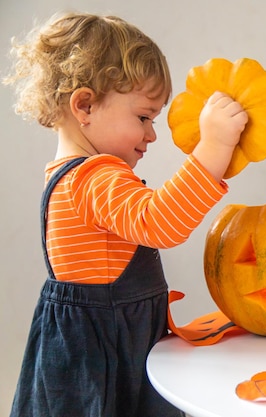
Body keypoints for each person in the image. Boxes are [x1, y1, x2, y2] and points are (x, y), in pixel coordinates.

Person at [3, 11, 248, 417]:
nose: (152, 134)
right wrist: (215, 146)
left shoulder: (66, 175)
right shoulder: (94, 176)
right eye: (143, 117)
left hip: (94, 344)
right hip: (105, 356)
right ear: (84, 105)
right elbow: (160, 222)